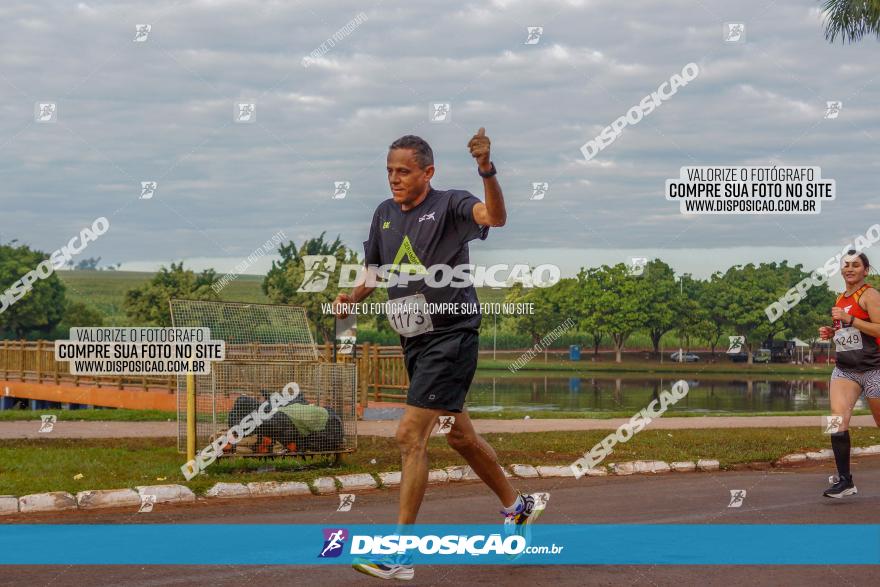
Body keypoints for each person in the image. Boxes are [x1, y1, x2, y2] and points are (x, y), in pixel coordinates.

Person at [334, 131, 546, 580]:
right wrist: (354, 296)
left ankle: (401, 555)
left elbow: (496, 217)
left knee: (410, 436)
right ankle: (517, 506)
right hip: (414, 340)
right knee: (460, 437)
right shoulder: (384, 214)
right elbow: (375, 270)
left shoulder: (451, 205)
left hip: (453, 336)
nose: (394, 179)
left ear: (427, 173)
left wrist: (486, 169)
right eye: (390, 170)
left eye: (404, 171)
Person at [818, 250, 880, 498]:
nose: (850, 269)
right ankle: (845, 480)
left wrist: (850, 319)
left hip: (874, 369)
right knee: (835, 422)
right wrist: (830, 333)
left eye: (856, 265)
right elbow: (846, 331)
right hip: (845, 370)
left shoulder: (871, 295)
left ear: (866, 270)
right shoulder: (840, 298)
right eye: (846, 265)